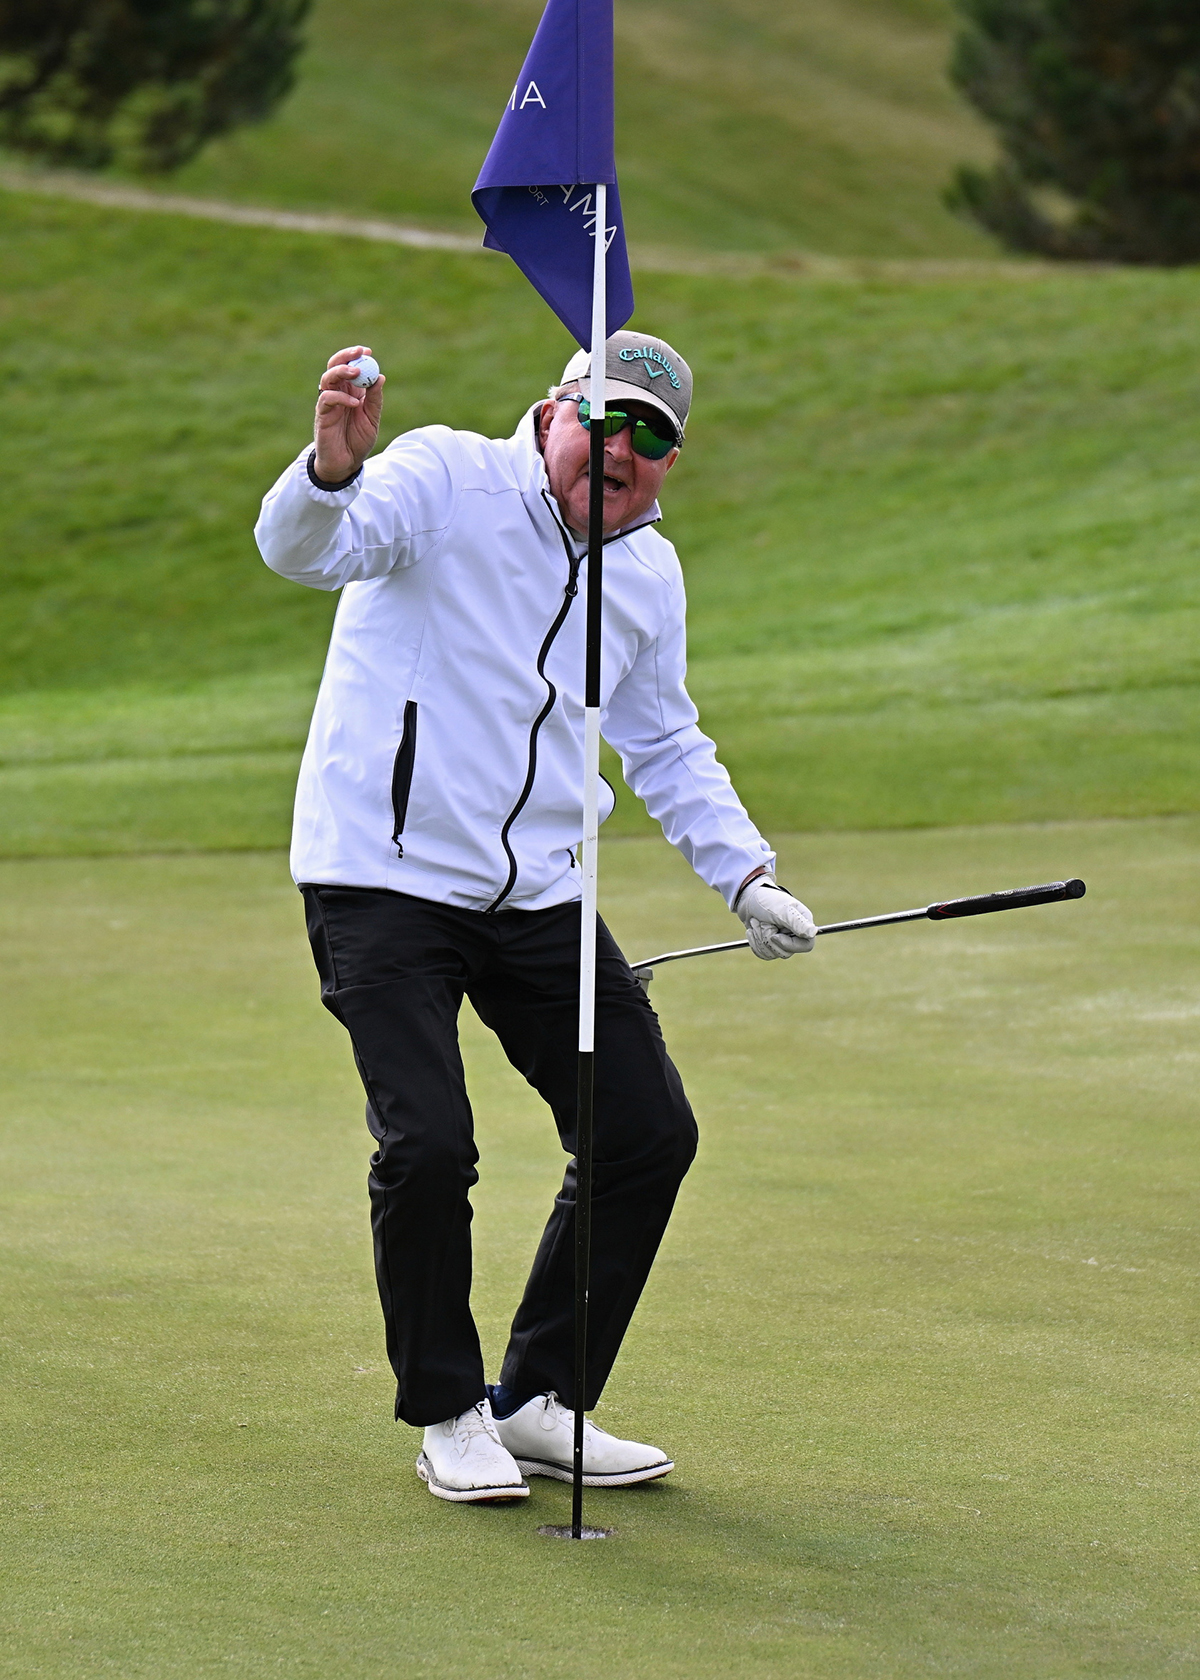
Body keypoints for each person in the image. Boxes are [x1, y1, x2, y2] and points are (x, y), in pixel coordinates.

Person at [254, 330, 817, 1505]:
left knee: (646, 1132)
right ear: (554, 412)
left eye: (651, 436)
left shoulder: (647, 573)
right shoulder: (442, 477)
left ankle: (543, 1400)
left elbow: (664, 740)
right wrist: (330, 474)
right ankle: (447, 1410)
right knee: (427, 1146)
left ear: (669, 463)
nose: (622, 448)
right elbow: (306, 551)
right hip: (383, 877)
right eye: (603, 418)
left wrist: (749, 876)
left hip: (540, 894)